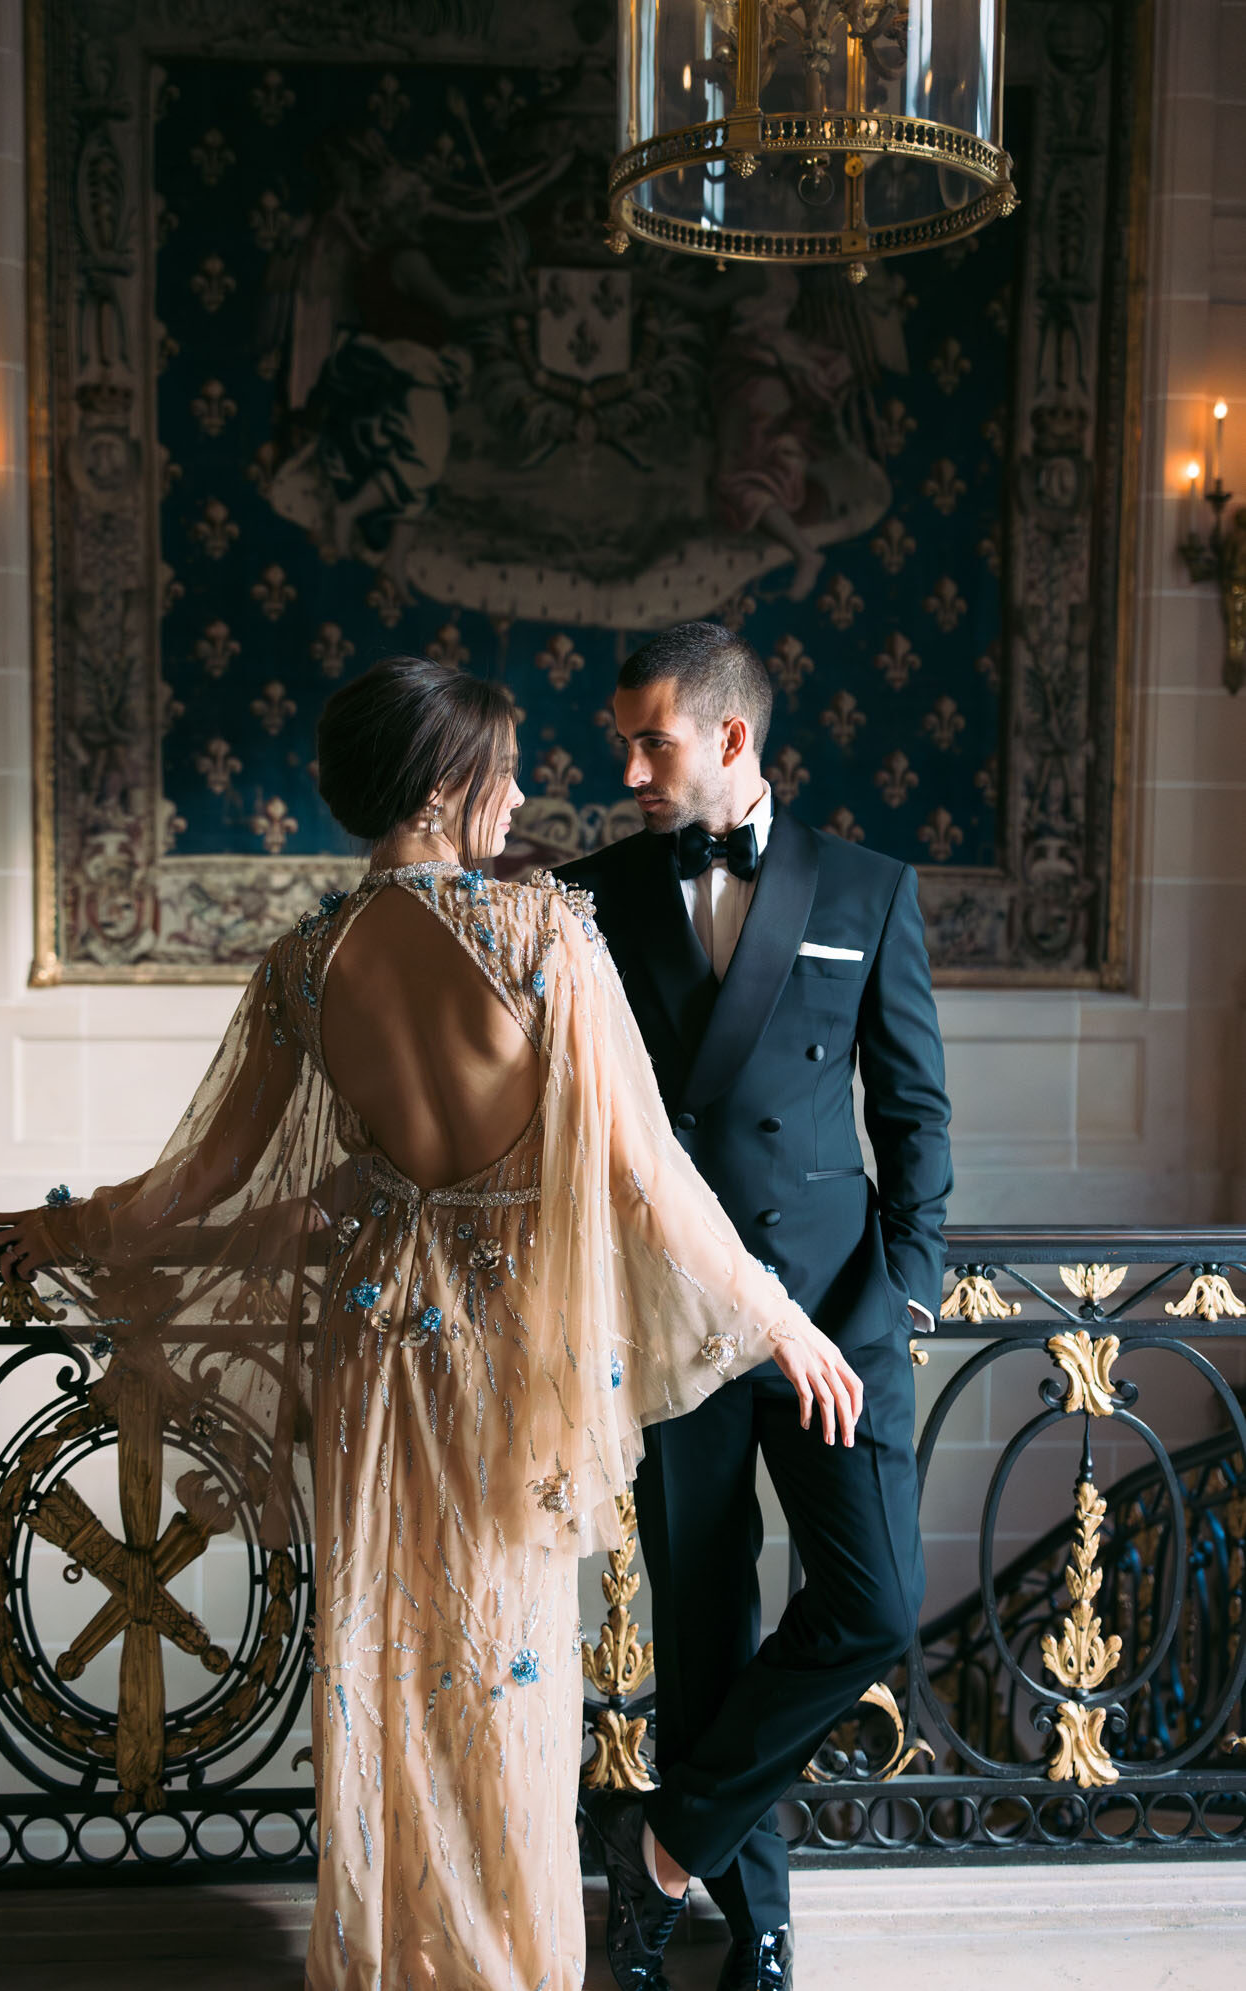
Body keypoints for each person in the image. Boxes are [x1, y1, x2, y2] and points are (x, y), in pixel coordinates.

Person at [0, 655, 866, 1991]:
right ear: (446, 787)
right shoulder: (549, 938)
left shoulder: (307, 964)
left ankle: (394, 1958)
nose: (513, 800)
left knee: (385, 1667)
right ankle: (504, 1963)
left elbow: (193, 1182)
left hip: (376, 1356)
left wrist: (64, 1229)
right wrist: (781, 1320)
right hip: (507, 1355)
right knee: (506, 1674)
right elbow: (643, 1179)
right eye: (497, 775)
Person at [561, 621, 952, 1991]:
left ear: (732, 739)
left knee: (874, 1606)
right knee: (704, 1628)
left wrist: (900, 1296)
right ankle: (760, 1923)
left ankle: (662, 1848)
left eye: (650, 740)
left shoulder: (868, 889)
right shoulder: (591, 895)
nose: (627, 766)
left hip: (837, 1319)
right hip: (675, 1328)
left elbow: (914, 1120)